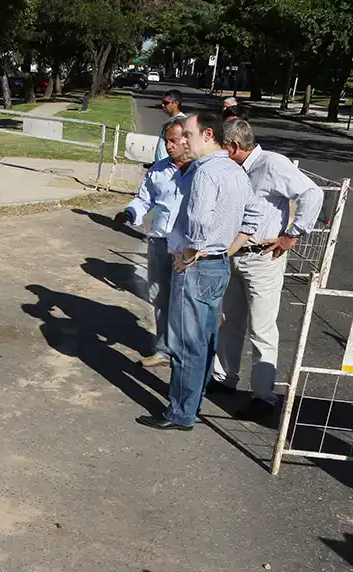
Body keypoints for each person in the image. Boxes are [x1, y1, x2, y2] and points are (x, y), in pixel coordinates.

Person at [137, 112, 263, 431]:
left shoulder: (205, 173)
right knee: (204, 338)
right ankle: (192, 400)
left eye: (188, 135)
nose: (184, 141)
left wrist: (189, 254)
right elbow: (252, 218)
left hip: (196, 268)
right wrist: (226, 250)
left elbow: (199, 222)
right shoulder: (235, 170)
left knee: (186, 342)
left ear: (208, 135)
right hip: (217, 264)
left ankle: (181, 412)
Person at [211, 119, 324, 418]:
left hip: (263, 258)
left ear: (234, 146)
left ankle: (263, 397)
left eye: (223, 146)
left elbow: (313, 194)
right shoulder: (235, 168)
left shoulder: (272, 164)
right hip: (235, 254)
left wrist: (292, 235)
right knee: (231, 320)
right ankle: (224, 378)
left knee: (261, 327)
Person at [114, 119, 191, 368]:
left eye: (173, 140)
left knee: (185, 302)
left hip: (187, 247)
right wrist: (129, 213)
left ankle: (186, 355)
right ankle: (164, 350)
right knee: (160, 297)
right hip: (159, 242)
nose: (168, 146)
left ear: (187, 140)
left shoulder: (201, 171)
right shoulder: (158, 169)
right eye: (166, 140)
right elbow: (144, 200)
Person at [154, 89, 187, 162]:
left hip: (168, 166)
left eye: (166, 103)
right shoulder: (171, 121)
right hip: (161, 164)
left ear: (176, 103)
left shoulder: (181, 122)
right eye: (162, 102)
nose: (163, 105)